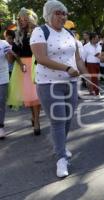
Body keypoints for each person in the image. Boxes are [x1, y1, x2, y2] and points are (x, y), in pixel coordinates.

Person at [30, 0, 89, 178]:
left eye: (64, 13)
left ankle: (60, 146)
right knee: (58, 120)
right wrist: (66, 69)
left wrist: (87, 76)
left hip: (70, 84)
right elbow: (41, 58)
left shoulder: (70, 34)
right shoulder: (40, 31)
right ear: (48, 14)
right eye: (58, 13)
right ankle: (61, 158)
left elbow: (78, 60)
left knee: (68, 119)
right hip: (49, 84)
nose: (62, 16)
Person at [7, 8, 41, 136]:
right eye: (19, 19)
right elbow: (15, 53)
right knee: (29, 96)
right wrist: (19, 62)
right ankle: (34, 116)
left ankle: (37, 120)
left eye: (23, 19)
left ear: (29, 19)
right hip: (23, 67)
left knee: (37, 95)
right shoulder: (17, 34)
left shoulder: (38, 31)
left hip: (36, 64)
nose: (20, 21)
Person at [0, 27, 13, 139]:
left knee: (1, 103)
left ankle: (0, 126)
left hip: (2, 78)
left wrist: (9, 52)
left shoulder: (3, 44)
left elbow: (9, 60)